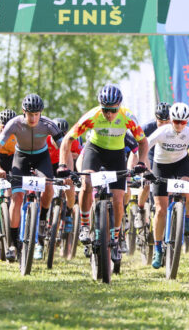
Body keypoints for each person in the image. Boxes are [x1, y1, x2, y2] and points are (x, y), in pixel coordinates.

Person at [58, 84, 148, 263]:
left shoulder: (127, 117)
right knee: (87, 182)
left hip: (116, 155)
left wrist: (142, 163)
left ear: (119, 106)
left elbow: (143, 142)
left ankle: (115, 237)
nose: (109, 114)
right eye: (105, 109)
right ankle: (85, 225)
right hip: (95, 151)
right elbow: (68, 139)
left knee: (118, 198)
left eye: (113, 110)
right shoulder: (93, 116)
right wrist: (62, 164)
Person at [0, 94, 65, 261]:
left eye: (36, 114)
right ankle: (12, 243)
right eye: (30, 114)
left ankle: (42, 221)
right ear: (24, 112)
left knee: (49, 186)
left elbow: (64, 146)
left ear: (41, 112)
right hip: (21, 157)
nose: (33, 118)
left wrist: (65, 167)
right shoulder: (14, 123)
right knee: (16, 197)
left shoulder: (48, 124)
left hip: (41, 158)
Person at [147, 102, 189, 269]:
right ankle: (158, 249)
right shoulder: (162, 131)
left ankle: (188, 220)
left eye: (183, 122)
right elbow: (143, 147)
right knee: (160, 210)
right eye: (176, 121)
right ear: (171, 119)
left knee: (188, 191)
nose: (179, 125)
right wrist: (143, 168)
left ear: (187, 122)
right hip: (160, 165)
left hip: (180, 164)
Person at [134, 102, 171, 230]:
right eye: (161, 122)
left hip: (166, 157)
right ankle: (140, 210)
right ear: (156, 118)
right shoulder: (147, 128)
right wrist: (145, 168)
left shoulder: (176, 128)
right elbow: (138, 149)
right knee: (147, 182)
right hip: (149, 155)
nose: (164, 124)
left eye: (167, 122)